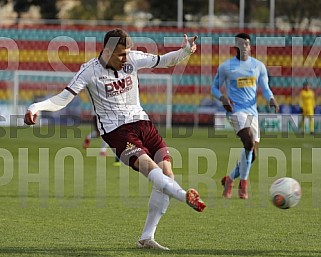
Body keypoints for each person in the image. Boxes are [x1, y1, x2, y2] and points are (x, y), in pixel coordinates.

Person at [24, 28, 206, 250]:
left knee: (167, 174)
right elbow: (63, 99)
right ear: (108, 50)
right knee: (151, 169)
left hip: (143, 124)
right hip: (117, 131)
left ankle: (146, 238)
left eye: (127, 53)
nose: (125, 58)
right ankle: (185, 195)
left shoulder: (132, 59)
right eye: (121, 54)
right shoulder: (89, 71)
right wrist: (36, 107)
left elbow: (164, 61)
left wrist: (185, 51)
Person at [211, 33, 279, 199]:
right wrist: (222, 97)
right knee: (248, 141)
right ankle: (244, 185)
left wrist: (271, 98)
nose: (244, 47)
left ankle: (229, 179)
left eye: (247, 44)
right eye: (241, 44)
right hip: (235, 111)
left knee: (252, 153)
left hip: (252, 112)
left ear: (250, 46)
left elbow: (265, 87)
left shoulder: (258, 66)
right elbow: (214, 88)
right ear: (236, 46)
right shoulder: (226, 67)